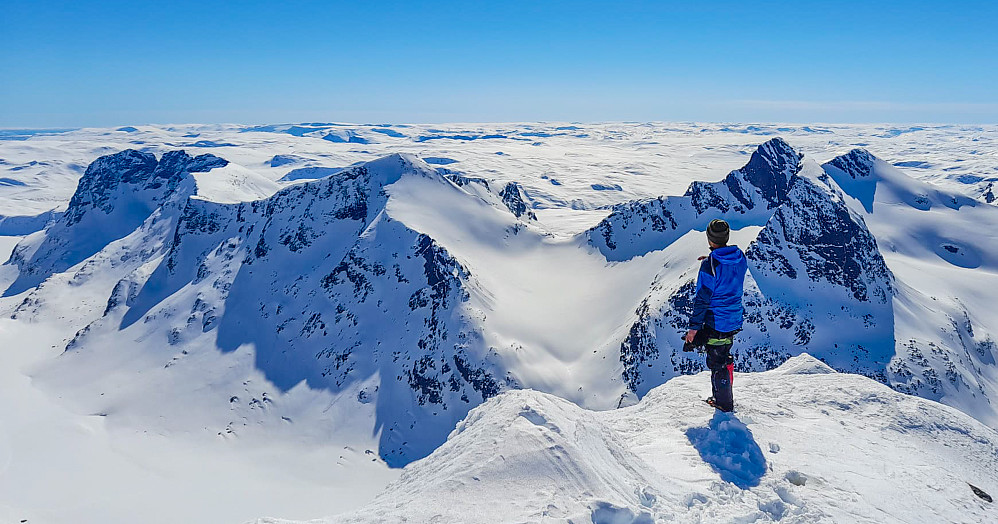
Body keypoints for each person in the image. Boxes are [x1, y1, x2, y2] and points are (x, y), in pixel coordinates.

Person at [684, 219, 747, 412]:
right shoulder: (739, 257)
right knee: (724, 355)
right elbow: (727, 271)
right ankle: (723, 395)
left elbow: (702, 299)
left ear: (710, 239)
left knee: (717, 362)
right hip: (734, 317)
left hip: (716, 320)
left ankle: (724, 403)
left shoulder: (710, 266)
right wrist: (712, 259)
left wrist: (693, 328)